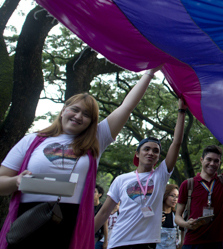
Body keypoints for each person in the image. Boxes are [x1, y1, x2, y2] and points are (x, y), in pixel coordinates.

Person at [0, 67, 162, 249]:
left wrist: (149, 72)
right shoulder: (32, 141)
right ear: (63, 110)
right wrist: (16, 181)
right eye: (75, 110)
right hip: (28, 219)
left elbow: (127, 106)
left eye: (86, 115)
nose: (78, 116)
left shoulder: (96, 141)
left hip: (69, 221)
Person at [94, 98, 186, 249]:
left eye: (156, 151)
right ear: (137, 153)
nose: (151, 153)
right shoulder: (121, 179)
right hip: (119, 242)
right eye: (147, 149)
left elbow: (176, 142)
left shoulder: (160, 175)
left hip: (146, 244)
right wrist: (83, 236)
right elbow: (104, 212)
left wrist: (181, 111)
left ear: (158, 157)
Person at [175, 145, 223, 249]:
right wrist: (186, 224)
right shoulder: (188, 184)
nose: (212, 163)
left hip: (216, 243)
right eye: (209, 159)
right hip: (192, 242)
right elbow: (177, 216)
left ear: (220, 163)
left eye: (216, 161)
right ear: (201, 160)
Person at [158, 184, 180, 249]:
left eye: (177, 196)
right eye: (173, 196)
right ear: (165, 195)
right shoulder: (155, 215)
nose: (175, 199)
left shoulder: (176, 216)